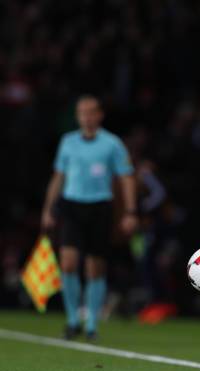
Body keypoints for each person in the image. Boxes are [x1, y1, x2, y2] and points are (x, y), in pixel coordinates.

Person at [41, 95, 138, 341]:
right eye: (82, 112)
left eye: (91, 112)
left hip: (99, 207)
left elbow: (126, 176)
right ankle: (73, 320)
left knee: (95, 268)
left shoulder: (112, 143)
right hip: (72, 205)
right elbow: (58, 176)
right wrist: (48, 209)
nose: (86, 117)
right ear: (78, 116)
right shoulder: (68, 142)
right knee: (68, 263)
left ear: (99, 115)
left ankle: (92, 323)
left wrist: (130, 211)